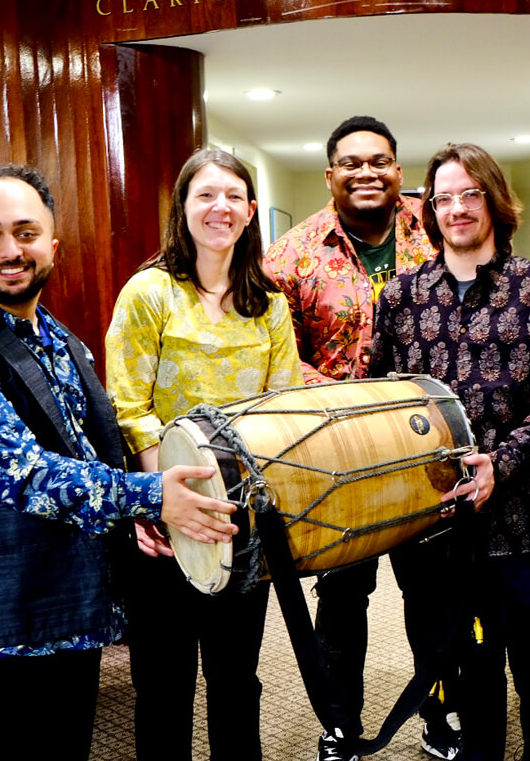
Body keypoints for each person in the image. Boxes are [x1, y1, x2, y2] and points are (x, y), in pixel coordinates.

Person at [0, 164, 235, 761]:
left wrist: (133, 515)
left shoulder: (60, 339)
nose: (11, 250)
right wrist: (150, 494)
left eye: (26, 233)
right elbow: (23, 471)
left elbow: (87, 451)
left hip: (71, 613)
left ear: (52, 245)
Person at [370, 142, 530, 761]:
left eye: (471, 194)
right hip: (441, 532)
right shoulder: (402, 299)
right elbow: (384, 402)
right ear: (430, 211)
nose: (458, 208)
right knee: (470, 687)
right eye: (444, 198)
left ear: (494, 202)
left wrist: (502, 462)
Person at [264, 116, 458, 761]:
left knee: (432, 596)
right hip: (339, 455)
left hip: (427, 450)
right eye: (351, 163)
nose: (366, 173)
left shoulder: (436, 231)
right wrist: (356, 408)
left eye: (379, 161)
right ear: (330, 176)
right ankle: (340, 726)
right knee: (342, 599)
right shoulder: (291, 255)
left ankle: (440, 717)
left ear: (399, 171)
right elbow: (278, 357)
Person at [105, 148, 301, 760]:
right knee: (164, 683)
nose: (221, 207)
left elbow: (281, 410)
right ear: (183, 208)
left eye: (234, 196)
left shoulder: (270, 304)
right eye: (206, 195)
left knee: (236, 680)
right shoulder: (149, 292)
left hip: (239, 520)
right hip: (163, 518)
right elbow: (128, 406)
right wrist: (169, 502)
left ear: (251, 211)